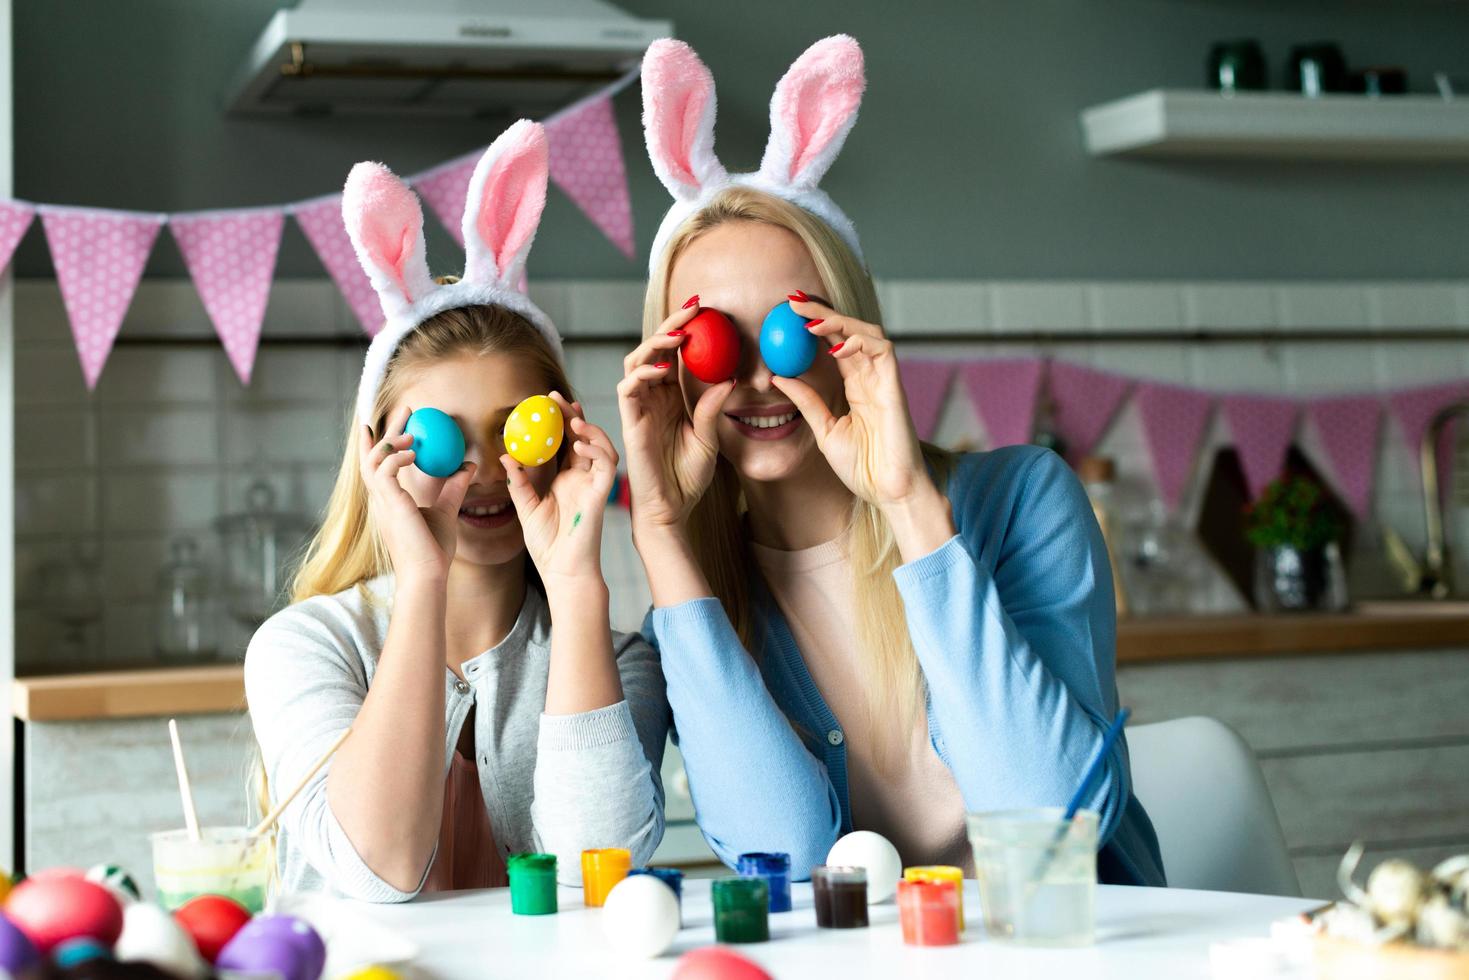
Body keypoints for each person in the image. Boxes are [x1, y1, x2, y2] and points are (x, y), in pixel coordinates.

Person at [617, 36, 1165, 885]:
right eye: (716, 338)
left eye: (793, 329)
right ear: (672, 368)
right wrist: (658, 533)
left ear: (850, 337)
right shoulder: (695, 612)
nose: (763, 376)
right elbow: (783, 853)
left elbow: (1054, 827)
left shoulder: (1021, 501)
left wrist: (907, 502)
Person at [245, 121, 666, 902]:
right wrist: (423, 577)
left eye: (514, 431)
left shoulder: (618, 661)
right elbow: (382, 866)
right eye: (441, 441)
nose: (482, 471)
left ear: (564, 437)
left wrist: (575, 585)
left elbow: (593, 877)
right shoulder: (301, 647)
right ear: (378, 458)